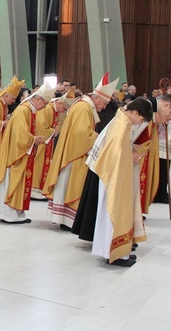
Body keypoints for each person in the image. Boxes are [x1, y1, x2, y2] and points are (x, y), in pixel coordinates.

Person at [43, 73, 119, 229]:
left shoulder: (84, 105)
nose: (104, 107)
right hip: (75, 155)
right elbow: (81, 134)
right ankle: (68, 220)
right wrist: (100, 137)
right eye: (104, 103)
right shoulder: (84, 107)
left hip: (73, 153)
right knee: (72, 185)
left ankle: (66, 219)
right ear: (97, 98)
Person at [88, 98, 154, 267]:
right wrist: (130, 156)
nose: (139, 123)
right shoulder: (123, 124)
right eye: (141, 120)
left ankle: (112, 252)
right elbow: (117, 153)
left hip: (111, 174)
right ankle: (115, 254)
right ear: (136, 113)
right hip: (114, 177)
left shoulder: (121, 119)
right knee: (114, 213)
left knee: (108, 214)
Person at [0, 83, 55, 224]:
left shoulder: (29, 110)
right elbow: (20, 135)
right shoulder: (24, 111)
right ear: (38, 100)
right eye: (45, 103)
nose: (45, 107)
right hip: (15, 155)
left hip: (20, 152)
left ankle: (14, 212)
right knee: (12, 181)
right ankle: (9, 214)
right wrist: (33, 139)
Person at [30, 93, 74, 200]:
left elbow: (58, 125)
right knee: (38, 163)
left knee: (46, 163)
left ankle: (41, 187)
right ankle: (34, 188)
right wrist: (54, 131)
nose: (63, 111)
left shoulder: (56, 111)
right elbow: (41, 126)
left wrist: (55, 130)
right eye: (63, 107)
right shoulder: (48, 109)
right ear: (59, 103)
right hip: (42, 142)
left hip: (48, 142)